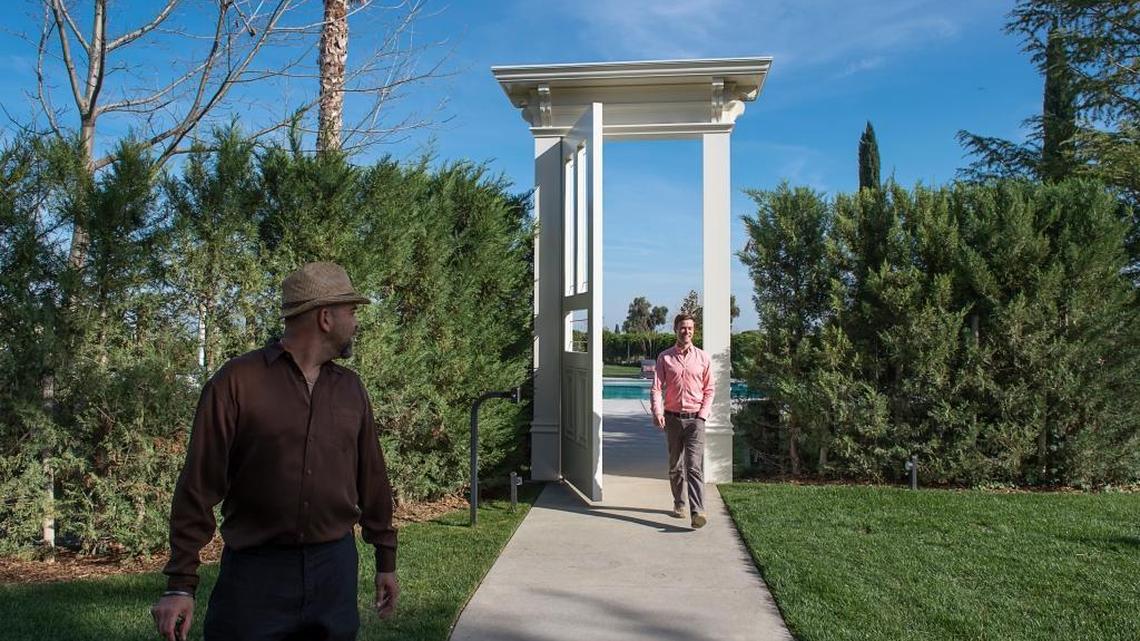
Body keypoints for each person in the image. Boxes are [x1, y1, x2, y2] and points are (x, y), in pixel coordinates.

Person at [151, 262, 399, 641]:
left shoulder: (351, 389)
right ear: (325, 317)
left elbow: (373, 479)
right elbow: (197, 485)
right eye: (352, 312)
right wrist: (180, 585)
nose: (356, 322)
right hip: (254, 578)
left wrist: (385, 560)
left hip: (334, 571)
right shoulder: (237, 382)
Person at [650, 313, 715, 529]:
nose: (686, 331)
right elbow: (657, 388)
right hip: (672, 419)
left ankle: (698, 512)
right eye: (682, 327)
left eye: (690, 328)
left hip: (696, 419)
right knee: (675, 466)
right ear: (675, 329)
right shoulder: (665, 358)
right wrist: (657, 411)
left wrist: (703, 415)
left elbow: (709, 389)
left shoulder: (703, 358)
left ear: (694, 331)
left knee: (694, 466)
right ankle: (679, 503)